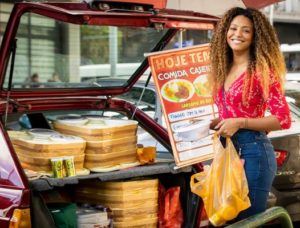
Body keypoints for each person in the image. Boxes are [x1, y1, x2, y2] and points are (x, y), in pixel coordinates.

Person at [208, 7, 291, 221]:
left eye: (246, 31)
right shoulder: (223, 68)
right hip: (229, 152)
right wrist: (222, 121)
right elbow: (233, 112)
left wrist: (240, 122)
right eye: (233, 28)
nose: (237, 34)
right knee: (227, 220)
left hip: (254, 153)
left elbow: (283, 119)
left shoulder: (262, 72)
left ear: (256, 37)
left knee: (248, 222)